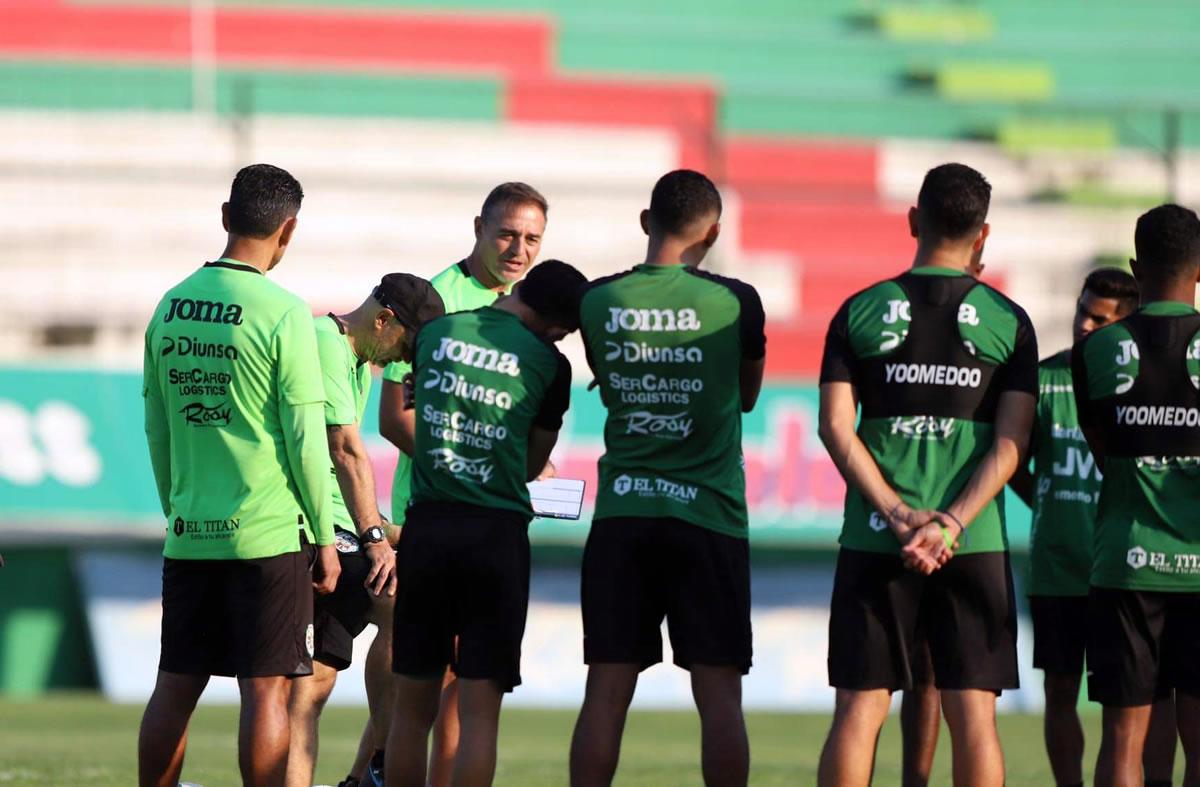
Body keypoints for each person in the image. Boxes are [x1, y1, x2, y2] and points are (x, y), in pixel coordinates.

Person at [816, 162, 1039, 787]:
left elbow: (835, 427)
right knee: (975, 715)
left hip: (874, 537)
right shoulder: (1008, 319)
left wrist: (897, 514)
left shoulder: (859, 309)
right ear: (982, 236)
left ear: (914, 220)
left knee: (860, 710)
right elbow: (1012, 441)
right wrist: (949, 522)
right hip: (973, 543)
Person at [138, 163, 340, 787]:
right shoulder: (284, 313)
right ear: (288, 230)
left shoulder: (169, 307)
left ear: (225, 217)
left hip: (191, 527)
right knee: (267, 690)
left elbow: (158, 427)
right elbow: (307, 438)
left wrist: (177, 505)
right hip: (268, 533)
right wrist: (328, 540)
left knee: (176, 683)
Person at [569, 170, 767, 787]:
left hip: (623, 513)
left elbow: (607, 376)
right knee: (719, 696)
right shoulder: (738, 301)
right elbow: (749, 397)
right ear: (713, 232)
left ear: (645, 221)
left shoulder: (597, 300)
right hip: (708, 516)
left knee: (605, 690)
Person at [371, 181, 549, 787]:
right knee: (424, 690)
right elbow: (395, 417)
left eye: (532, 239)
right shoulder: (436, 300)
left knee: (447, 691)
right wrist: (474, 460)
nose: (518, 249)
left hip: (482, 517)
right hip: (424, 513)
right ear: (478, 226)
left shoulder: (528, 313)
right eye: (506, 233)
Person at [386, 260, 587, 787]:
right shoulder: (550, 364)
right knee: (478, 715)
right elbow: (526, 467)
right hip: (496, 537)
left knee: (410, 711)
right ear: (557, 328)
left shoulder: (435, 333)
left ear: (521, 289)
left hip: (428, 528)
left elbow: (411, 411)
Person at [1008, 268, 1179, 787]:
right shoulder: (1043, 379)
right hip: (1059, 569)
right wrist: (1041, 496)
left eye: (1100, 318)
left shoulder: (1148, 388)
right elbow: (1010, 459)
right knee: (1060, 693)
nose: (1085, 324)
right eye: (1083, 310)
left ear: (1127, 326)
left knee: (1144, 696)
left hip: (1126, 568)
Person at [286, 274, 445, 787]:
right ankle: (383, 761)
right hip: (308, 532)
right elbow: (344, 452)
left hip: (332, 527)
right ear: (383, 320)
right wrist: (377, 540)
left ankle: (377, 762)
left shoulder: (355, 361)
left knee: (314, 687)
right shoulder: (326, 346)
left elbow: (342, 481)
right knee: (407, 611)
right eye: (404, 345)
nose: (402, 359)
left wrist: (393, 531)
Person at [1072, 204, 1200, 787]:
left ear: (1134, 267)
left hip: (1126, 564)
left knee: (1123, 746)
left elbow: (1102, 446)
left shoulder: (1097, 351)